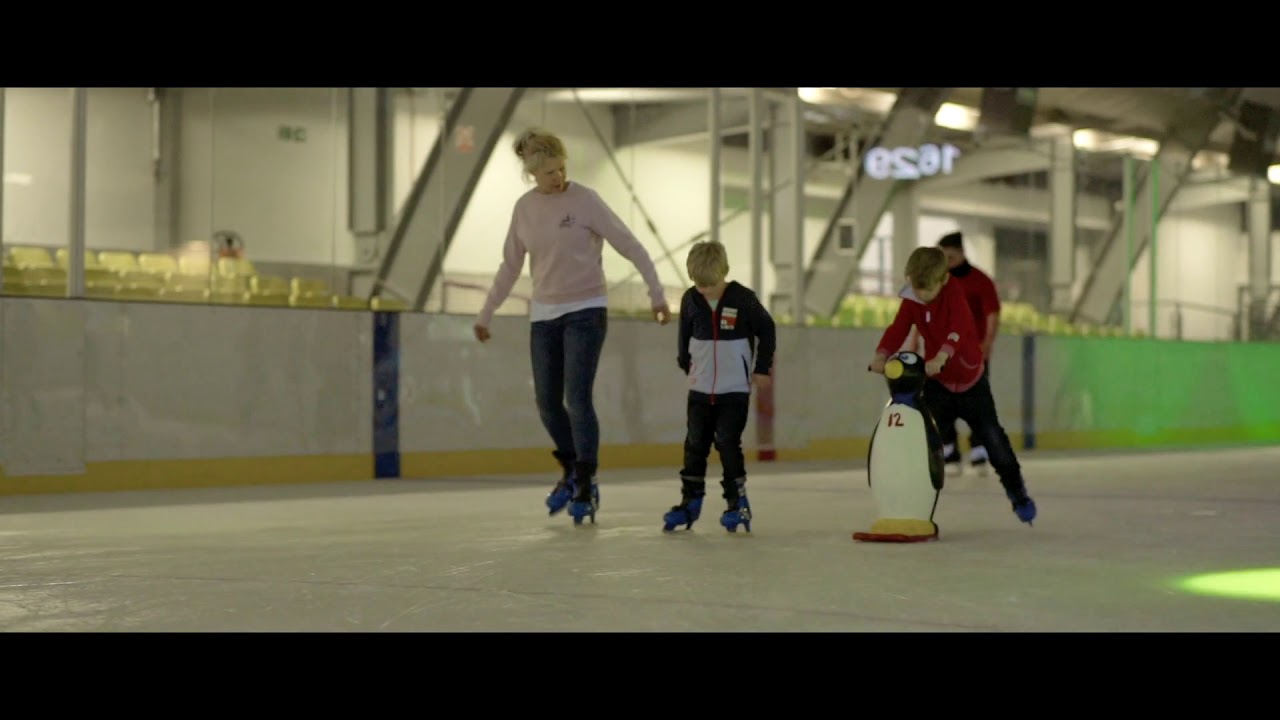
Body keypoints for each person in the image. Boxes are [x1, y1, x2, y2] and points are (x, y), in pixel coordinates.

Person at [474, 128, 671, 524]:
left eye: (561, 168)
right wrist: (485, 313)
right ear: (532, 173)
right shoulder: (524, 209)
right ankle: (570, 467)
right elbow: (510, 265)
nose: (558, 177)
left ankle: (585, 481)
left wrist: (656, 294)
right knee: (547, 404)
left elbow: (631, 245)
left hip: (586, 309)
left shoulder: (586, 201)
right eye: (549, 173)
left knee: (576, 399)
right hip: (544, 315)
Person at [868, 246, 1036, 525]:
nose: (920, 296)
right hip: (939, 384)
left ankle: (1018, 494)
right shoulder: (914, 296)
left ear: (943, 280)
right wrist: (881, 353)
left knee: (995, 441)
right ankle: (911, 504)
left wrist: (942, 355)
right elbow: (899, 326)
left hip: (971, 382)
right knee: (923, 444)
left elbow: (958, 328)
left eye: (927, 290)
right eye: (915, 288)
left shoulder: (954, 292)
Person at [663, 240, 776, 533]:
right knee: (694, 444)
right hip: (700, 389)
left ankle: (737, 503)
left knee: (727, 442)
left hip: (734, 389)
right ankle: (690, 502)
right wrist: (684, 361)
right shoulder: (690, 299)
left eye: (709, 285)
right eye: (699, 285)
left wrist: (761, 367)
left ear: (723, 273)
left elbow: (767, 329)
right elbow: (684, 332)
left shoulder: (743, 299)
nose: (704, 291)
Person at [936, 231, 1002, 475]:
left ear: (961, 254)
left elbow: (992, 314)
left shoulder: (980, 282)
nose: (947, 262)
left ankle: (978, 451)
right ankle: (950, 450)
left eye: (950, 257)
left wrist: (988, 343)